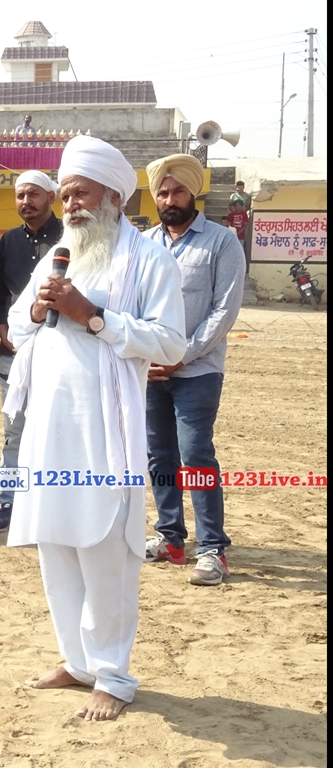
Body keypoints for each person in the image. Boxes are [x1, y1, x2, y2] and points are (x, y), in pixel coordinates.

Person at [4, 135, 186, 720]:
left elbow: (171, 344)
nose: (70, 205)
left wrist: (94, 316)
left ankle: (113, 674)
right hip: (50, 422)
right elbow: (18, 324)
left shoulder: (150, 259)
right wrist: (39, 309)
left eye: (80, 193)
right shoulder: (60, 253)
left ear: (113, 195)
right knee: (56, 541)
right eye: (65, 195)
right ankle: (78, 662)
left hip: (108, 426)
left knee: (105, 547)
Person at [143, 153, 246, 585]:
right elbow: (133, 305)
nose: (170, 199)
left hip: (198, 371)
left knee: (196, 455)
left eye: (178, 191)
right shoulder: (144, 243)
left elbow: (224, 310)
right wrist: (146, 356)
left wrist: (181, 355)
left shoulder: (222, 242)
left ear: (194, 193)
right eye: (163, 192)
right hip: (150, 371)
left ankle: (212, 549)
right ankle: (170, 538)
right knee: (159, 456)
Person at [0, 170, 61, 532]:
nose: (26, 202)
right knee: (15, 430)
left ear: (51, 197)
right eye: (20, 196)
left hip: (61, 352)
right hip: (14, 352)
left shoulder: (70, 238)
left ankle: (51, 508)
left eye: (33, 194)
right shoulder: (9, 242)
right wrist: (5, 334)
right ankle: (10, 504)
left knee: (58, 430)